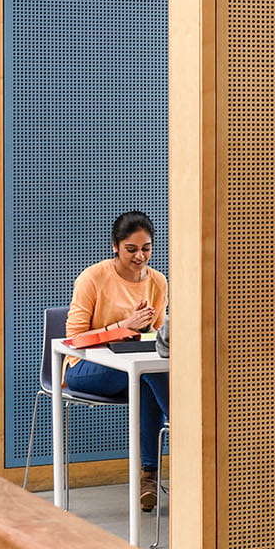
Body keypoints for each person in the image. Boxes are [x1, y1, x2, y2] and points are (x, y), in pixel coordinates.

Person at [65, 211, 170, 510]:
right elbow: (75, 338)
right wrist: (125, 327)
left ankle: (148, 477)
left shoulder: (158, 282)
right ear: (115, 246)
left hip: (132, 368)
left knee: (148, 376)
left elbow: (157, 339)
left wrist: (147, 330)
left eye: (146, 248)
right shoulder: (93, 277)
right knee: (149, 376)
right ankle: (181, 429)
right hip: (83, 368)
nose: (140, 257)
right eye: (131, 249)